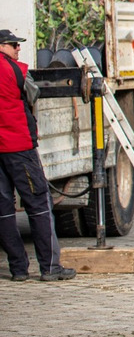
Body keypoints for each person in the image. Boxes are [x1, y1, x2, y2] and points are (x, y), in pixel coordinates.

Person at [0, 29, 74, 282]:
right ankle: (50, 267)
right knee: (39, 205)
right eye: (13, 45)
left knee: (4, 211)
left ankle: (18, 269)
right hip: (19, 147)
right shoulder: (16, 70)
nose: (18, 49)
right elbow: (34, 94)